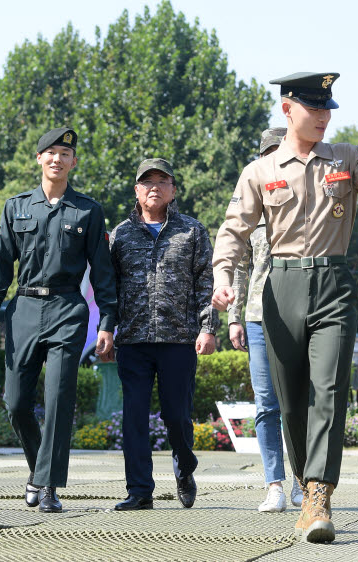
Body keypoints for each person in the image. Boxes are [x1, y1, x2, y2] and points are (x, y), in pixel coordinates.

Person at [211, 72, 358, 543]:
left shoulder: (344, 156)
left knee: (329, 390)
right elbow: (233, 231)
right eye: (314, 108)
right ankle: (306, 482)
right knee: (291, 400)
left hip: (333, 286)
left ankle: (320, 493)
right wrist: (223, 278)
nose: (323, 117)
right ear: (288, 109)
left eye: (328, 109)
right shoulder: (259, 171)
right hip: (279, 289)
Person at [0, 127, 118, 513]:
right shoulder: (17, 207)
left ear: (73, 162)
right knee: (16, 404)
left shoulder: (88, 211)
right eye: (50, 153)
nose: (57, 159)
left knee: (58, 398)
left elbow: (103, 273)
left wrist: (107, 322)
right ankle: (37, 472)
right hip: (22, 310)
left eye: (65, 154)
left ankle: (49, 486)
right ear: (39, 159)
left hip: (67, 310)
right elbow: (0, 266)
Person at [108, 158, 217, 511]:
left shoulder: (192, 231)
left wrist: (207, 327)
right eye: (147, 181)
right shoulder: (121, 234)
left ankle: (185, 466)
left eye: (162, 180)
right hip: (134, 340)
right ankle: (139, 491)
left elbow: (206, 283)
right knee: (134, 417)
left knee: (177, 415)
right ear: (137, 190)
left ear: (173, 189)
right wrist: (107, 329)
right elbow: (109, 287)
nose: (154, 186)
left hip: (178, 339)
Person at [228, 127, 304, 512]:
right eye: (269, 154)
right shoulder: (248, 209)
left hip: (301, 314)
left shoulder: (309, 202)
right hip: (259, 315)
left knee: (298, 402)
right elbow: (240, 267)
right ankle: (274, 483)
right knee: (266, 404)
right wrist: (233, 317)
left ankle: (303, 482)